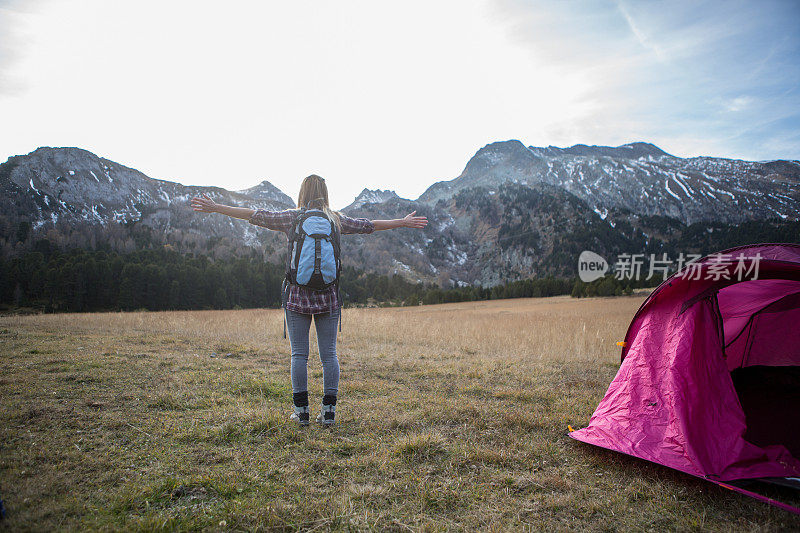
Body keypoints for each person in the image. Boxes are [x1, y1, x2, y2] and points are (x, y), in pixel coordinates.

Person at [190, 174, 427, 426]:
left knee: (299, 355)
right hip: (329, 297)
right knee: (329, 356)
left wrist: (216, 208)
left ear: (302, 193)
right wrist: (402, 222)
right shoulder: (336, 220)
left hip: (296, 297)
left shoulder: (292, 217)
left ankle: (301, 412)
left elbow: (254, 214)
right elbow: (368, 225)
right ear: (325, 193)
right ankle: (328, 413)